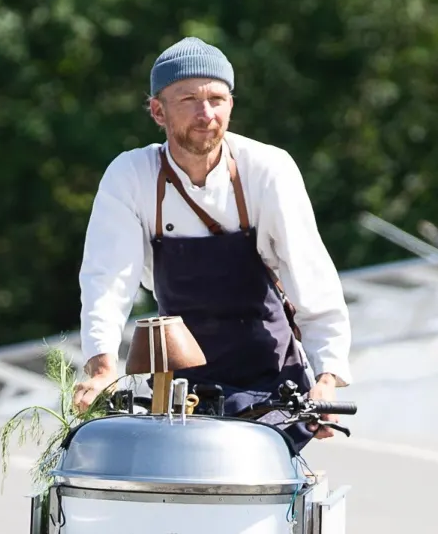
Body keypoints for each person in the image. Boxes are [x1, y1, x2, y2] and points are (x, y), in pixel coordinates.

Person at [72, 36, 351, 421]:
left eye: (217, 99)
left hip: (269, 379)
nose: (206, 114)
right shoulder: (130, 175)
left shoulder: (268, 169)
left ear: (231, 105)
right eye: (188, 100)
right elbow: (107, 280)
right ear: (157, 111)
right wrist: (103, 368)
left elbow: (309, 275)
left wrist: (327, 377)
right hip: (178, 385)